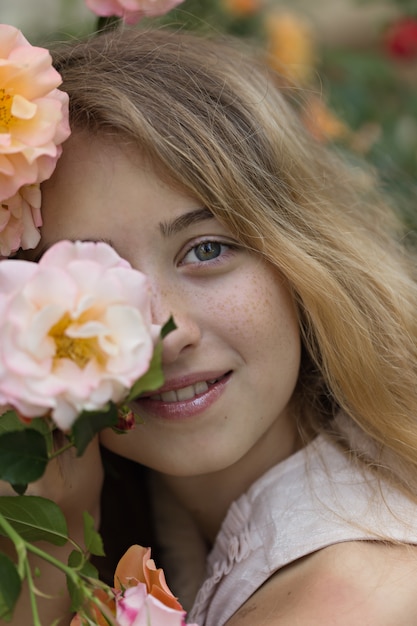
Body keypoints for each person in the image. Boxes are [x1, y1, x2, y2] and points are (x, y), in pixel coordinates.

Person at [21, 25, 417, 625]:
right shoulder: (158, 521)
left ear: (300, 257)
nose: (166, 331)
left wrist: (49, 565)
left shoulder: (351, 596)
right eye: (95, 287)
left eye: (205, 250)